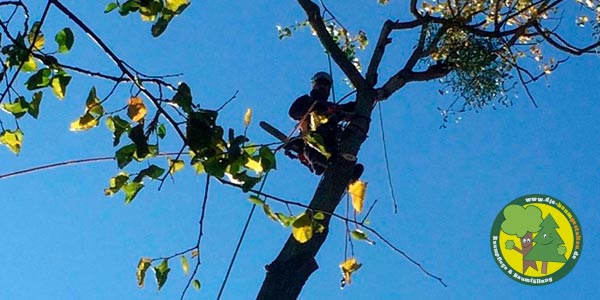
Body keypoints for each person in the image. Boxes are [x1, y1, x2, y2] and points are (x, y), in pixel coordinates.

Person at [285, 72, 363, 180]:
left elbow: (349, 108)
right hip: (312, 137)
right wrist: (315, 106)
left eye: (326, 85)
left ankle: (347, 170)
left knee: (338, 140)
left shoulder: (332, 107)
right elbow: (294, 113)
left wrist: (368, 96)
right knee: (314, 141)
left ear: (329, 89)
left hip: (331, 140)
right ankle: (318, 161)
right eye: (319, 83)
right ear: (314, 85)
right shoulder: (306, 101)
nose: (322, 86)